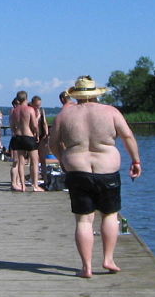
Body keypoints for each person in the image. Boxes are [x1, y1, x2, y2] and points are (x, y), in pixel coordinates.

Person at [48, 75, 142, 279]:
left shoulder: (65, 115)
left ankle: (86, 267)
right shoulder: (110, 112)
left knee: (83, 220)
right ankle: (108, 259)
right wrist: (136, 161)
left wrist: (62, 158)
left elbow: (53, 143)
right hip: (106, 169)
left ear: (77, 95)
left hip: (77, 169)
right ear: (95, 94)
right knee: (109, 215)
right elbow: (127, 136)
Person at [9, 91, 41, 192]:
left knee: (21, 162)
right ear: (26, 98)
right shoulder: (30, 109)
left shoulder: (14, 111)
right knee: (34, 162)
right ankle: (35, 185)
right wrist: (37, 134)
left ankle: (22, 185)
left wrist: (15, 132)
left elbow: (12, 125)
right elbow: (35, 125)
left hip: (18, 137)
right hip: (28, 136)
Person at [31, 96, 49, 185]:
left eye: (39, 105)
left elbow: (45, 122)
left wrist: (46, 134)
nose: (38, 107)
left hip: (41, 136)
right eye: (36, 105)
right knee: (34, 159)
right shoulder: (30, 110)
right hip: (32, 136)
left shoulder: (42, 111)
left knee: (43, 158)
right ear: (33, 104)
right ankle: (34, 179)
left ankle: (45, 178)